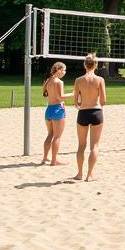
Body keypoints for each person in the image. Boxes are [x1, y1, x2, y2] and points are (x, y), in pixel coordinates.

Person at [73, 52, 106, 181]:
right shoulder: (100, 80)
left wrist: (82, 103)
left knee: (81, 146)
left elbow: (76, 102)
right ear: (96, 65)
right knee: (94, 146)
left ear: (84, 65)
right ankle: (90, 175)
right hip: (96, 112)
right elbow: (103, 101)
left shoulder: (78, 80)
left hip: (83, 112)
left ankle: (79, 174)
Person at [40, 61, 70, 166]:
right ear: (59, 70)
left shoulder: (47, 81)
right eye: (64, 70)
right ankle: (54, 160)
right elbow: (60, 97)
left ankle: (44, 158)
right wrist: (75, 94)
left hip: (49, 110)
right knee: (57, 136)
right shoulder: (59, 82)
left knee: (50, 134)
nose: (65, 72)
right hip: (58, 109)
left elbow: (44, 95)